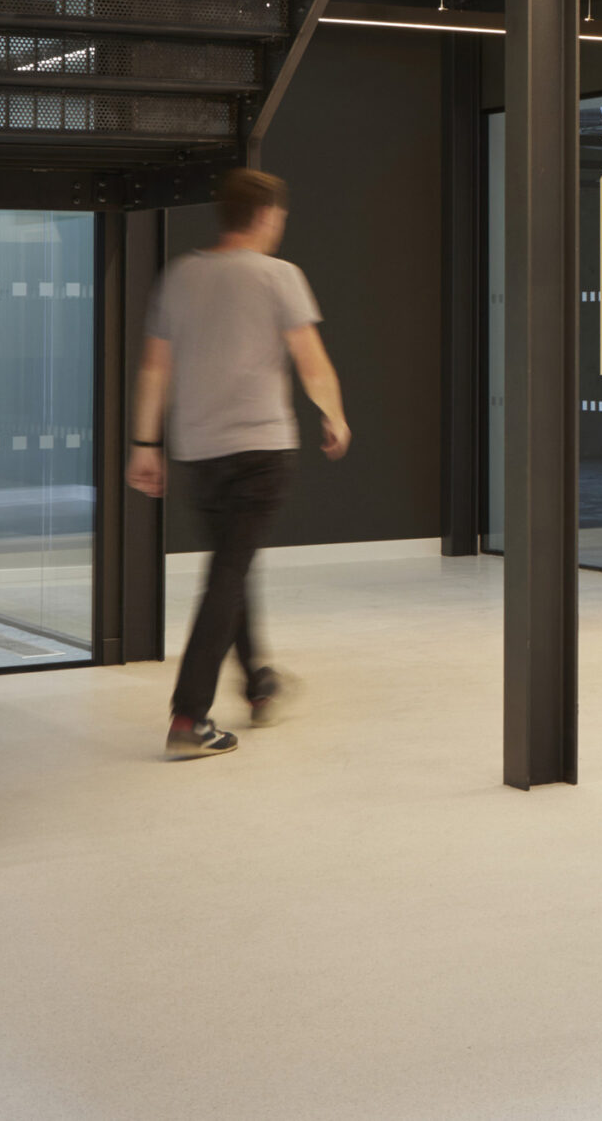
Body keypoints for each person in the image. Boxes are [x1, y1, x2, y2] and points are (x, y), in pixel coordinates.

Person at [129, 168, 349, 760]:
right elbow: (311, 360)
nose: (280, 225)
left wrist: (144, 443)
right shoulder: (280, 276)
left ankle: (259, 686)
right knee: (228, 573)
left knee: (234, 564)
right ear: (262, 216)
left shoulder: (180, 275)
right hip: (261, 451)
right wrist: (334, 413)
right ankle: (188, 716)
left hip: (199, 452)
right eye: (279, 216)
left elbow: (154, 368)